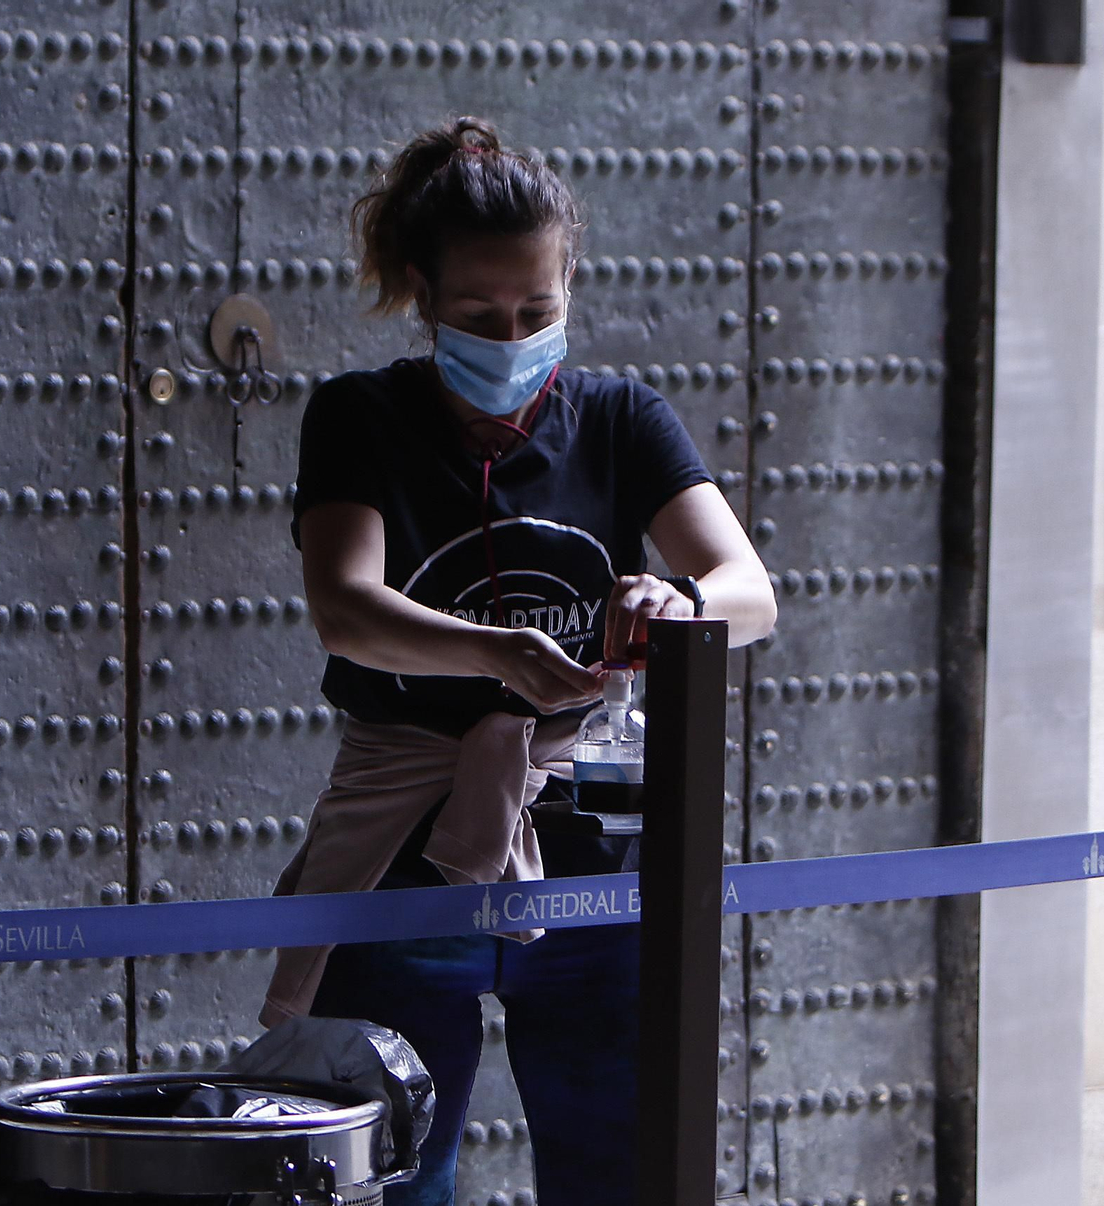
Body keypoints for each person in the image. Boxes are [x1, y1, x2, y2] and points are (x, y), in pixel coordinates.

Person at [259, 116, 777, 1206]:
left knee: (617, 1169)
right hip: (405, 855)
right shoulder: (361, 416)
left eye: (537, 313)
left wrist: (674, 598)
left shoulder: (623, 422)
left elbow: (749, 592)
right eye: (477, 316)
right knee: (399, 1177)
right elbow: (346, 607)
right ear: (419, 292)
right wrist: (492, 652)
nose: (510, 338)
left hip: (588, 856)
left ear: (570, 287)